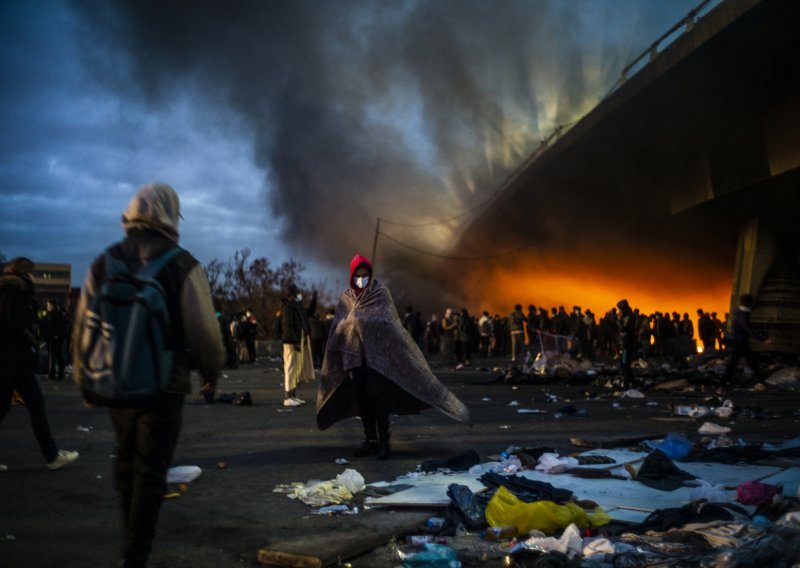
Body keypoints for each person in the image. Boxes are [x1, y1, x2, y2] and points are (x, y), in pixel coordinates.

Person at [71, 182, 223, 568]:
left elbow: (84, 326)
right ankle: (136, 555)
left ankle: (131, 545)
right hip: (163, 386)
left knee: (126, 463)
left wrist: (85, 380)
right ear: (171, 214)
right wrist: (211, 373)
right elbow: (205, 330)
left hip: (117, 382)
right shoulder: (182, 263)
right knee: (151, 473)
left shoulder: (105, 261)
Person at [317, 254, 471, 459]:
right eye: (358, 275)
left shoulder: (380, 293)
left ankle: (383, 442)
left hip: (378, 359)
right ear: (352, 275)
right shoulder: (346, 298)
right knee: (362, 400)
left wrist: (361, 321)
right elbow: (339, 325)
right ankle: (369, 440)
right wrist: (349, 326)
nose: (361, 278)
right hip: (354, 358)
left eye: (365, 275)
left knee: (377, 398)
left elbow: (388, 322)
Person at [0, 257, 79, 472]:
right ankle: (51, 455)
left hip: (9, 359)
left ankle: (52, 454)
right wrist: (30, 338)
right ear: (26, 272)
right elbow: (13, 324)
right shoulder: (15, 292)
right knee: (36, 406)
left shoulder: (8, 290)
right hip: (16, 359)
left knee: (7, 406)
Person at [277, 284, 316, 406]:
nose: (300, 294)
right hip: (291, 342)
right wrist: (294, 341)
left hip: (297, 341)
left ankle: (293, 395)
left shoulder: (295, 306)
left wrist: (313, 301)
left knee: (295, 369)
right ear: (292, 294)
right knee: (290, 368)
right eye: (297, 292)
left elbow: (308, 313)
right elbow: (287, 326)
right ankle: (288, 397)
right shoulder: (287, 307)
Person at [720, 293, 768, 392]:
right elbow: (747, 329)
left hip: (739, 343)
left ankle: (722, 385)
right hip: (741, 343)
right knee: (743, 364)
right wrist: (762, 339)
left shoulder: (738, 313)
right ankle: (722, 385)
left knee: (747, 363)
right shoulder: (743, 315)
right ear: (749, 303)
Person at [41, 298, 67, 381]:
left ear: (52, 305)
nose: (47, 307)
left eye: (48, 305)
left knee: (52, 357)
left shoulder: (52, 314)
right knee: (59, 356)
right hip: (58, 338)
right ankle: (61, 374)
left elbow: (51, 326)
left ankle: (51, 374)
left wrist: (52, 335)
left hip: (53, 338)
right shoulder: (59, 314)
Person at [616, 299, 638, 388]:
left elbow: (622, 328)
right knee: (623, 364)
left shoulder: (629, 316)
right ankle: (632, 382)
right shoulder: (627, 315)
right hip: (624, 343)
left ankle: (627, 383)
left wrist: (619, 320)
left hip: (627, 343)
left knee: (625, 364)